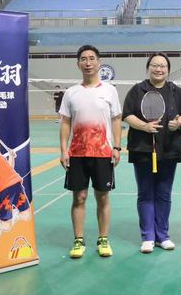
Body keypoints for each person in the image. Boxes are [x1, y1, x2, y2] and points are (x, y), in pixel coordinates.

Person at [59, 45, 122, 259]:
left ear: (99, 62)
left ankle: (103, 239)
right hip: (77, 153)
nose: (88, 63)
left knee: (102, 196)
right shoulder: (71, 93)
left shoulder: (110, 90)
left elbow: (116, 120)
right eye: (83, 59)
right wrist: (63, 150)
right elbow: (65, 123)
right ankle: (78, 240)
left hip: (103, 153)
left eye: (92, 58)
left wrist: (117, 147)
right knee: (79, 197)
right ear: (78, 64)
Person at [123, 53, 181, 254]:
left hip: (169, 149)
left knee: (164, 194)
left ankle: (163, 235)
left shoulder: (176, 91)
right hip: (142, 149)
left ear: (168, 70)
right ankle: (148, 237)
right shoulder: (137, 90)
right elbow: (127, 114)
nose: (158, 69)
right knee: (145, 193)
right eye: (154, 65)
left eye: (162, 66)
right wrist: (144, 126)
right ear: (148, 68)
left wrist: (179, 122)